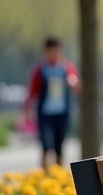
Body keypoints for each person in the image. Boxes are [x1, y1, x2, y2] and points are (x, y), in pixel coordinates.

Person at [26, 37, 81, 168]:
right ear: (46, 51)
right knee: (46, 145)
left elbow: (77, 86)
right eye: (52, 50)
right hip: (45, 114)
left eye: (57, 50)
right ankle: (44, 173)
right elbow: (32, 91)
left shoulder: (67, 67)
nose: (55, 53)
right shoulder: (40, 69)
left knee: (59, 147)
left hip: (62, 113)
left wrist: (73, 83)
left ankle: (58, 174)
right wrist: (27, 110)